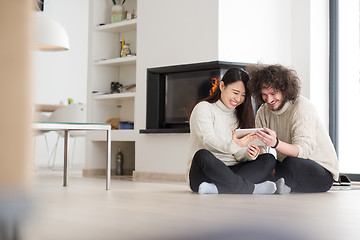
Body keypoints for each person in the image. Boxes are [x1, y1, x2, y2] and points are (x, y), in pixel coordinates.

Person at [247, 64, 339, 193]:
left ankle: (276, 183)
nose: (269, 99)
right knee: (262, 163)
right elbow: (261, 147)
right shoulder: (263, 111)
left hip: (320, 171)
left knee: (291, 163)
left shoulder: (302, 107)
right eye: (264, 95)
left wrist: (276, 143)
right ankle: (280, 184)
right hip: (286, 165)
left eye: (273, 93)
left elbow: (303, 152)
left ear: (285, 90)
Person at [187, 68, 279, 195]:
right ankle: (252, 189)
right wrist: (235, 145)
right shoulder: (203, 108)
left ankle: (216, 189)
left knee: (268, 159)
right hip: (206, 173)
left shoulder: (240, 114)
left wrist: (249, 154)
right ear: (222, 86)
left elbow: (237, 155)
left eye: (243, 95)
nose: (238, 99)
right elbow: (207, 142)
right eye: (235, 92)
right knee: (202, 155)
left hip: (231, 172)